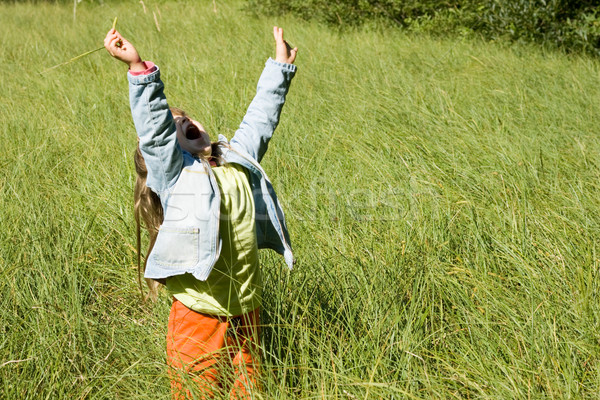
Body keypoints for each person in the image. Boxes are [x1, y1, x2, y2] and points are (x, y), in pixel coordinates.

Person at [104, 25, 298, 399]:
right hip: (198, 317)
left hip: (246, 311)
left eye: (186, 117)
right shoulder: (175, 177)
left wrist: (279, 68)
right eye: (173, 123)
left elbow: (260, 119)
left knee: (250, 393)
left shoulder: (237, 160)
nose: (181, 121)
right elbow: (155, 131)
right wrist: (138, 65)